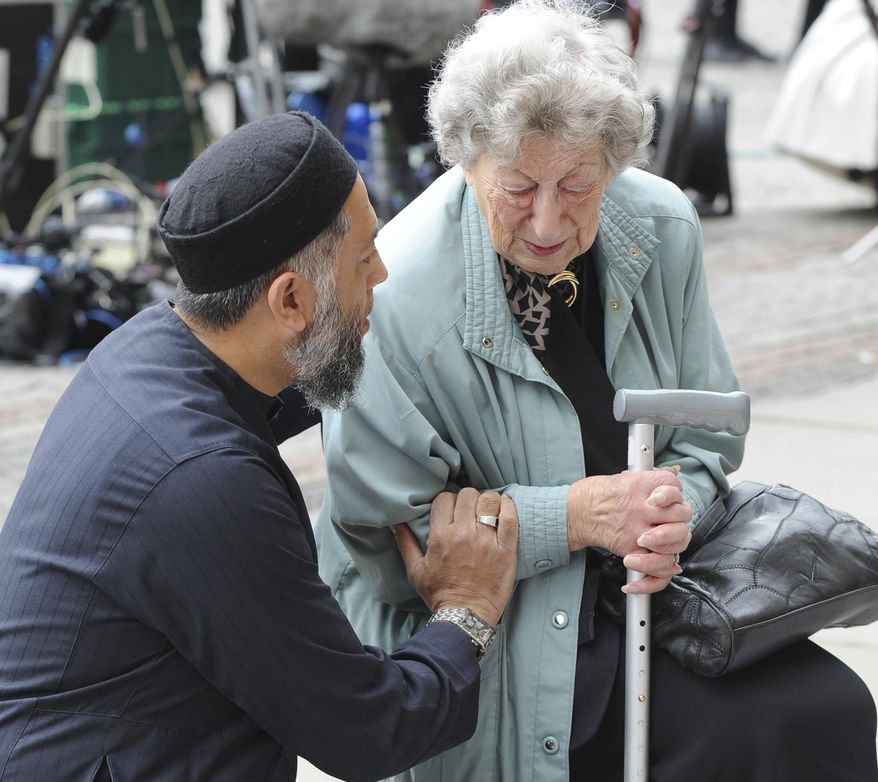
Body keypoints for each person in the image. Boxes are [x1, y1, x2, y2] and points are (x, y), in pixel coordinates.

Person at [314, 1, 878, 780]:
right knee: (748, 734)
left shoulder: (661, 223)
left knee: (832, 708)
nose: (548, 220)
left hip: (652, 593)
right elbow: (388, 545)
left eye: (578, 184)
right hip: (497, 627)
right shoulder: (396, 295)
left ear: (613, 163)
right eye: (518, 188)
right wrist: (578, 518)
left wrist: (670, 511)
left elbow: (706, 430)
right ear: (466, 158)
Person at [0, 111, 521, 781]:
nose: (385, 275)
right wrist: (467, 611)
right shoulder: (203, 483)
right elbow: (369, 731)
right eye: (364, 259)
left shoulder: (150, 348)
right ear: (291, 300)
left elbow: (306, 383)